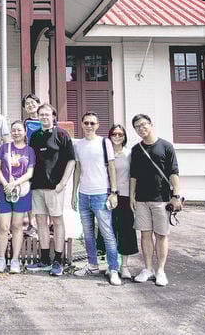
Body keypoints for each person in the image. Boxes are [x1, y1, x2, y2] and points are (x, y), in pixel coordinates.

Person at [129, 114, 182, 287]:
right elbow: (133, 176)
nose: (141, 128)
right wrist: (132, 196)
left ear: (151, 125)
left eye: (144, 125)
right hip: (142, 199)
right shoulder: (136, 150)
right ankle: (148, 269)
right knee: (145, 235)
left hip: (162, 199)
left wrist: (176, 196)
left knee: (161, 235)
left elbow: (174, 172)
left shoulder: (166, 146)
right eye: (137, 126)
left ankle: (160, 270)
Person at [71, 112, 122, 286]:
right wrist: (73, 193)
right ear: (82, 124)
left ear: (97, 125)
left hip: (101, 194)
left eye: (92, 123)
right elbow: (77, 169)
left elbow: (112, 167)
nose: (89, 126)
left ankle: (113, 268)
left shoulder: (104, 142)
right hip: (84, 194)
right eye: (86, 122)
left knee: (107, 233)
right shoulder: (78, 145)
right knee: (87, 234)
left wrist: (113, 192)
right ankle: (92, 264)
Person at [27, 103, 75, 277]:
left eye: (47, 114)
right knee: (40, 222)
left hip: (55, 187)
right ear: (38, 117)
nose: (44, 117)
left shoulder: (62, 135)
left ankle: (58, 260)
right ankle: (45, 259)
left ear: (54, 116)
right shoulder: (34, 136)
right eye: (41, 115)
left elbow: (71, 160)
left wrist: (62, 183)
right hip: (37, 186)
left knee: (57, 222)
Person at [0, 120, 35, 274]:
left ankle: (15, 260)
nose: (16, 133)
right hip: (3, 189)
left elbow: (30, 173)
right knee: (3, 226)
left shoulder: (30, 151)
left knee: (17, 226)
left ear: (24, 132)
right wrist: (6, 184)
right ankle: (1, 258)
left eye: (19, 130)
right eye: (13, 130)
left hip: (21, 190)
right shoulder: (4, 148)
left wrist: (15, 184)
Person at [108, 123, 138, 280]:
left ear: (124, 136)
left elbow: (134, 176)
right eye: (114, 134)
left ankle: (124, 266)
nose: (117, 137)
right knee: (109, 231)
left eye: (120, 134)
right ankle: (110, 264)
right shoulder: (105, 153)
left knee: (126, 230)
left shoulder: (129, 153)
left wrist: (133, 197)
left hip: (126, 196)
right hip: (108, 196)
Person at [21, 93, 42, 237]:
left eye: (33, 102)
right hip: (29, 162)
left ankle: (44, 224)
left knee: (43, 193)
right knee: (29, 192)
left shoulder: (47, 120)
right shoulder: (24, 123)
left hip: (45, 162)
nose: (30, 105)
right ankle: (31, 224)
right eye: (27, 103)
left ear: (38, 103)